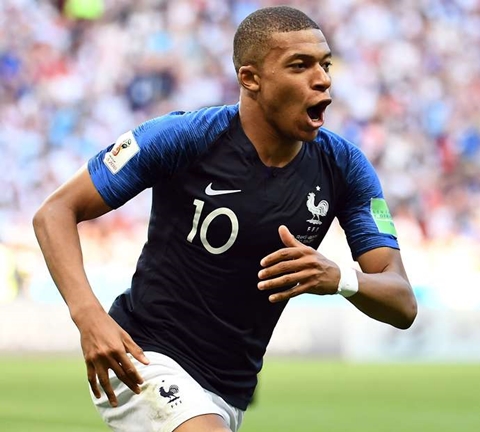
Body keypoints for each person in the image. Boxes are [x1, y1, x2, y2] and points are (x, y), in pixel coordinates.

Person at [33, 5, 417, 432]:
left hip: (229, 390)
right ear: (250, 78)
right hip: (144, 356)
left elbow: (402, 301)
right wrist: (89, 318)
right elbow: (55, 212)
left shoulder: (344, 167)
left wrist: (339, 278)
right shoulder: (184, 137)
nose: (322, 78)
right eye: (300, 65)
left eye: (325, 65)